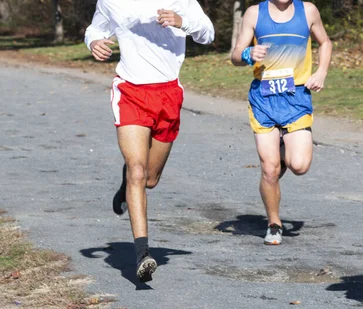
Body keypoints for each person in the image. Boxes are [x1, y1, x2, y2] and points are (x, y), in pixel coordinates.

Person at [84, 0, 214, 282]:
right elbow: (95, 29)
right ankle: (143, 252)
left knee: (150, 179)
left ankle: (130, 175)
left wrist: (183, 22)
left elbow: (208, 33)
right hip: (130, 91)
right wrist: (94, 42)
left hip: (168, 94)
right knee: (138, 172)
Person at [231, 0, 331, 245]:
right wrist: (247, 54)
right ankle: (274, 223)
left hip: (296, 97)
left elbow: (325, 42)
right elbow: (235, 55)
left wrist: (321, 72)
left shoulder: (308, 10)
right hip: (263, 98)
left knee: (299, 165)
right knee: (269, 169)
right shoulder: (254, 13)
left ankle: (283, 153)